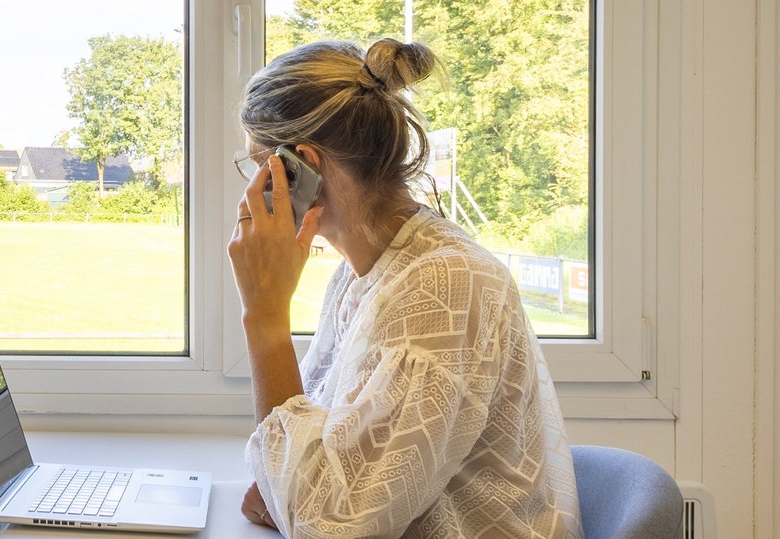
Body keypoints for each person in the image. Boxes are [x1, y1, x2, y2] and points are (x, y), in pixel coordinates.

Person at [228, 38, 582, 538]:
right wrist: (291, 493)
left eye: (254, 164)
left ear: (300, 165)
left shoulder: (446, 286)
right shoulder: (360, 275)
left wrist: (263, 315)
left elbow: (324, 524)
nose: (249, 189)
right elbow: (300, 479)